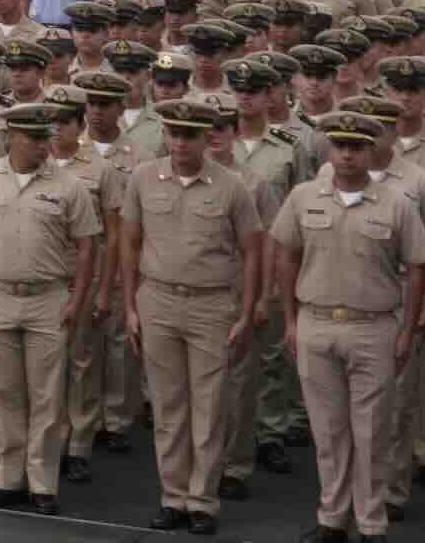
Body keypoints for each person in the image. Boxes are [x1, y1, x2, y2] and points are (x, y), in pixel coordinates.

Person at [276, 109, 425, 543]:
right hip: (316, 322)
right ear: (329, 150)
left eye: (356, 147)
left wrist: (407, 330)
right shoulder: (303, 197)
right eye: (340, 146)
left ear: (372, 151)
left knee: (371, 432)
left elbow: (419, 267)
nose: (347, 155)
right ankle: (332, 517)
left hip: (374, 327)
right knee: (328, 431)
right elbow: (287, 256)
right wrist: (291, 320)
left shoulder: (398, 204)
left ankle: (371, 523)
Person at [127, 95, 262, 534]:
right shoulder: (144, 178)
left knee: (209, 405)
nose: (181, 142)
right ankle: (173, 497)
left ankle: (203, 500)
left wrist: (246, 312)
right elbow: (128, 244)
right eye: (174, 133)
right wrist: (131, 305)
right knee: (168, 406)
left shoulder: (232, 186)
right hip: (159, 300)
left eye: (190, 135)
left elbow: (253, 252)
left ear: (208, 138)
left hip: (211, 304)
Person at [0, 101, 105, 512]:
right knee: (4, 391)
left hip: (47, 297)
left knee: (46, 396)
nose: (45, 145)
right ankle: (8, 478)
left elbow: (86, 246)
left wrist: (78, 298)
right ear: (12, 137)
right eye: (34, 137)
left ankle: (43, 483)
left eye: (48, 136)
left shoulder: (69, 186)